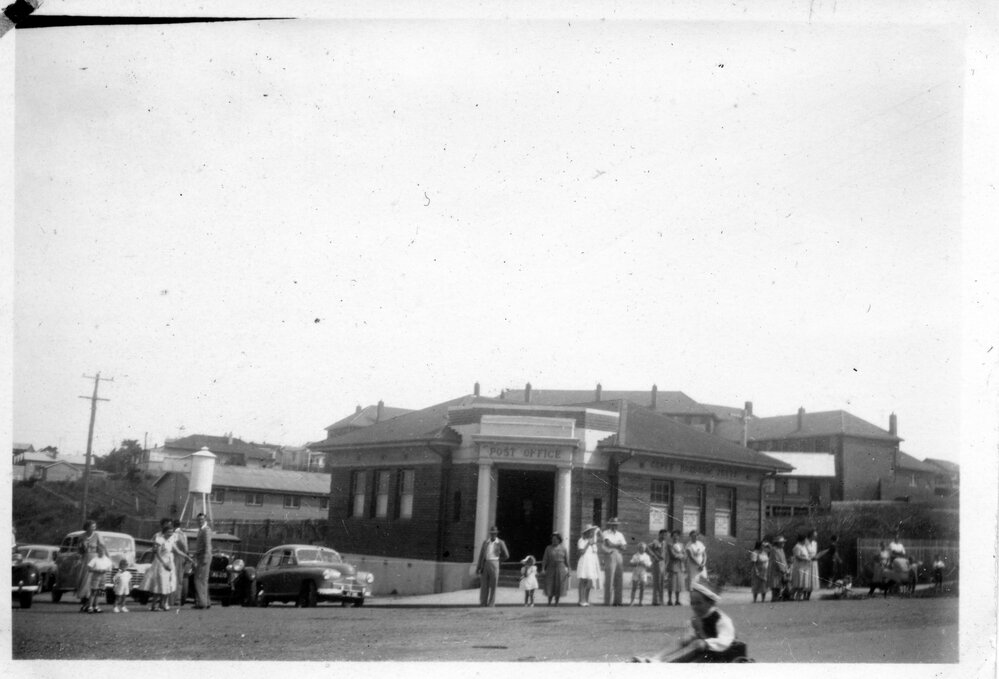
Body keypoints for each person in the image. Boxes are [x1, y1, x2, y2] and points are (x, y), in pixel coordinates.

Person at [632, 578, 739, 663]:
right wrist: (692, 637)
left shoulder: (721, 619)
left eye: (699, 603)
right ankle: (657, 658)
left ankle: (668, 663)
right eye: (692, 603)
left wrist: (704, 640)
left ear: (710, 603)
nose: (694, 607)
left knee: (697, 644)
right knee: (684, 639)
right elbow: (690, 637)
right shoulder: (696, 618)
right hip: (704, 651)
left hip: (722, 653)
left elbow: (724, 642)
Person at [142, 518, 193, 611]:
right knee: (159, 585)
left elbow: (177, 551)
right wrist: (164, 563)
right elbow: (156, 553)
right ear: (164, 532)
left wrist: (187, 557)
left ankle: (163, 604)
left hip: (169, 564)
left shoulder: (171, 541)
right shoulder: (159, 539)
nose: (171, 534)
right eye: (169, 532)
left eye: (172, 532)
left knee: (168, 584)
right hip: (160, 564)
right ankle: (154, 605)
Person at [74, 519, 105, 612]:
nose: (93, 528)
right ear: (87, 527)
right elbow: (79, 550)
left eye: (94, 527)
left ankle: (93, 604)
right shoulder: (81, 536)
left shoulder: (97, 535)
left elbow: (102, 547)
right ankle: (86, 602)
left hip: (95, 559)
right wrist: (78, 558)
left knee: (95, 581)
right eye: (92, 526)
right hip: (85, 559)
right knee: (85, 581)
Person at [476, 526, 509, 607]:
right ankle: (483, 602)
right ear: (490, 534)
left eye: (494, 533)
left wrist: (498, 561)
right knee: (484, 585)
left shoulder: (500, 542)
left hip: (495, 563)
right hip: (485, 563)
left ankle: (491, 603)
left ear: (496, 534)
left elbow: (506, 555)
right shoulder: (485, 542)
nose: (493, 535)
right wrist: (478, 567)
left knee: (493, 584)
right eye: (491, 533)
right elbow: (481, 555)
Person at [601, 517, 627, 606]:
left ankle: (618, 601)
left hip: (619, 555)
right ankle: (607, 601)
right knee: (609, 578)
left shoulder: (620, 534)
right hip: (610, 554)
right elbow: (608, 544)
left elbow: (624, 547)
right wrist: (618, 545)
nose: (615, 526)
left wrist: (617, 546)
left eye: (616, 524)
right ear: (610, 525)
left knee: (619, 578)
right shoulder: (605, 533)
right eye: (613, 524)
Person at [575, 524, 601, 606]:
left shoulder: (592, 541)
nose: (591, 533)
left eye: (592, 532)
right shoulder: (581, 540)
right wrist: (588, 544)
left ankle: (586, 600)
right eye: (589, 532)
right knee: (583, 581)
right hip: (584, 561)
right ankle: (581, 600)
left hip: (591, 562)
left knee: (589, 582)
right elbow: (581, 552)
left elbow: (594, 552)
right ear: (586, 533)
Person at [541, 532, 570, 606]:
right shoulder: (548, 548)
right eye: (553, 539)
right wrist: (543, 569)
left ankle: (556, 602)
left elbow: (567, 561)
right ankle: (549, 602)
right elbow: (545, 559)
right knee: (550, 584)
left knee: (558, 585)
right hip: (550, 568)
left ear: (559, 540)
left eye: (556, 539)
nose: (554, 541)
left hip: (561, 569)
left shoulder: (563, 549)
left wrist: (569, 570)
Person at [192, 512, 213, 609]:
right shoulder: (201, 530)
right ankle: (206, 601)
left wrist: (205, 557)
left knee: (199, 580)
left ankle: (202, 602)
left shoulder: (206, 530)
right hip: (200, 556)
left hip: (204, 556)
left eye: (202, 520)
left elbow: (207, 545)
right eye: (198, 520)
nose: (200, 521)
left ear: (205, 520)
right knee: (203, 580)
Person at [84, 544, 113, 613]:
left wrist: (105, 570)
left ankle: (96, 605)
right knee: (94, 591)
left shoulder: (107, 559)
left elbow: (110, 568)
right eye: (99, 551)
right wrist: (96, 570)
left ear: (104, 551)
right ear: (97, 552)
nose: (101, 552)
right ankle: (90, 606)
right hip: (96, 576)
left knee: (100, 592)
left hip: (103, 576)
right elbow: (89, 568)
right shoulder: (95, 559)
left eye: (102, 551)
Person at [171, 523, 190, 607]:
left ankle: (175, 599)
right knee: (179, 578)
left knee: (176, 577)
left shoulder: (176, 534)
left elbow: (183, 545)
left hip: (177, 556)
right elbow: (186, 546)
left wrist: (185, 553)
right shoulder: (183, 533)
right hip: (181, 556)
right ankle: (176, 599)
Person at [767, 535, 789, 601]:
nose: (783, 544)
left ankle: (777, 598)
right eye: (782, 542)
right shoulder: (774, 549)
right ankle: (774, 599)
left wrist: (786, 569)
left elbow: (784, 560)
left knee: (779, 586)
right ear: (778, 543)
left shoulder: (781, 550)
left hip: (781, 571)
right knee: (775, 586)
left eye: (783, 542)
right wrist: (782, 570)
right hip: (776, 571)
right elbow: (777, 561)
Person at [648, 529, 667, 606]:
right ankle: (655, 600)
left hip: (663, 563)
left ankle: (661, 600)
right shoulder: (655, 542)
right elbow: (648, 548)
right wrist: (653, 556)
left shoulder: (664, 543)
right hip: (657, 563)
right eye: (663, 534)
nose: (664, 536)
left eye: (665, 535)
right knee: (657, 582)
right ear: (659, 535)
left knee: (662, 582)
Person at [666, 530, 685, 605]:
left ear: (679, 537)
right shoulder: (670, 544)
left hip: (680, 566)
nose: (675, 537)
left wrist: (681, 556)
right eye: (674, 536)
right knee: (671, 583)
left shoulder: (681, 545)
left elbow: (685, 554)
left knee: (678, 584)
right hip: (672, 566)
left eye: (677, 535)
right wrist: (680, 556)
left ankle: (677, 600)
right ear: (672, 537)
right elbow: (672, 555)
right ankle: (670, 600)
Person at [790, 534, 811, 601]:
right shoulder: (797, 547)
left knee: (803, 584)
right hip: (799, 567)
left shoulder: (804, 546)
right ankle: (791, 596)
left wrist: (809, 558)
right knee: (797, 584)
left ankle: (798, 597)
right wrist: (805, 559)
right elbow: (797, 556)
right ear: (802, 539)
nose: (806, 541)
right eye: (805, 540)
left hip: (805, 567)